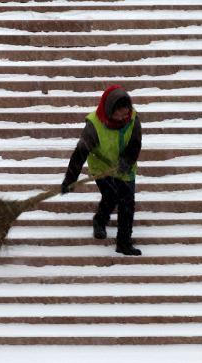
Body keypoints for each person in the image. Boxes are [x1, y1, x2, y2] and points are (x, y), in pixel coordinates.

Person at [61, 85, 142, 256]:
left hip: (125, 166)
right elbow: (80, 153)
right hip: (102, 166)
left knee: (127, 204)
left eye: (125, 113)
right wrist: (70, 180)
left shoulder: (133, 119)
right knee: (111, 196)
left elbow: (135, 144)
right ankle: (100, 220)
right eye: (118, 114)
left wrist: (126, 162)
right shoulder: (95, 125)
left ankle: (124, 243)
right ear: (109, 109)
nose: (122, 117)